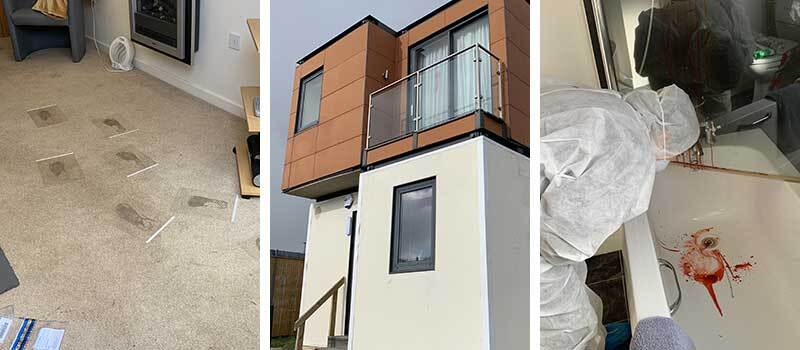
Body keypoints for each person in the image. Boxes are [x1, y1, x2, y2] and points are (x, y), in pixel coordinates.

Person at [540, 80, 699, 349]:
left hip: (512, 196)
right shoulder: (631, 152)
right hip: (528, 249)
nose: (670, 156)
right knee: (571, 335)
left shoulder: (610, 103)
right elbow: (558, 243)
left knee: (580, 305)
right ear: (665, 136)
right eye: (674, 151)